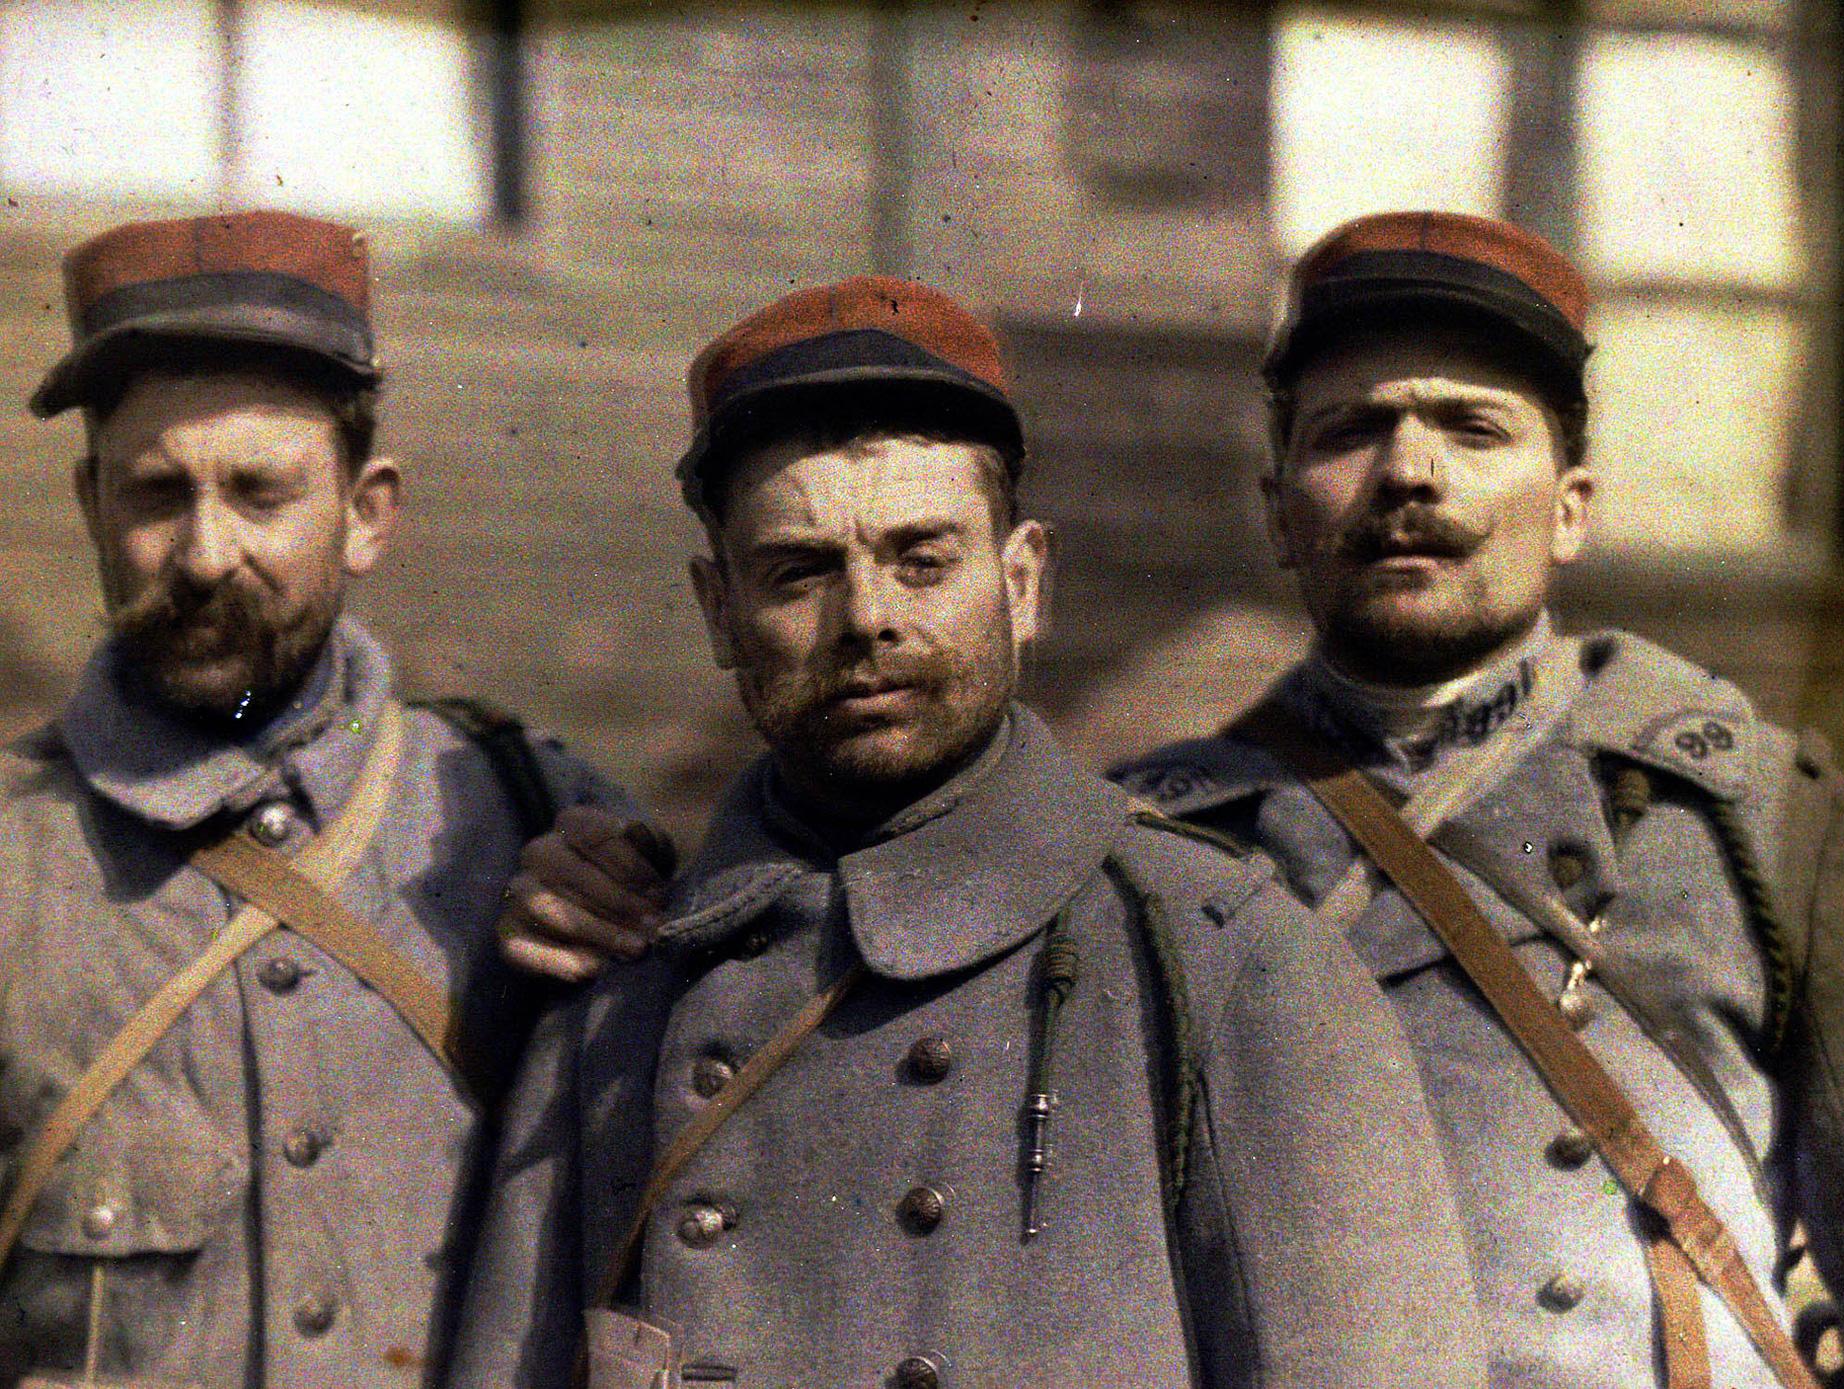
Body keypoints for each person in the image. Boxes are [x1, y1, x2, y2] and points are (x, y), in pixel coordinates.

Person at [449, 275, 1490, 1389]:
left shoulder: (1228, 959)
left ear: (1023, 579)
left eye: (923, 559)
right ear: (717, 611)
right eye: (799, 571)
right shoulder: (622, 992)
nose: (868, 620)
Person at [1113, 211, 1844, 1389]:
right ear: (1280, 512)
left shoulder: (1767, 819)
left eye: (1473, 428)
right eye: (1351, 432)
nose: (1408, 472)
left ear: (1574, 507)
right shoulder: (1146, 849)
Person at [0, 209, 663, 1388]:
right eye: (156, 496)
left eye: (260, 492)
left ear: (366, 514)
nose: (204, 555)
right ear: (93, 502)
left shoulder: (530, 815)